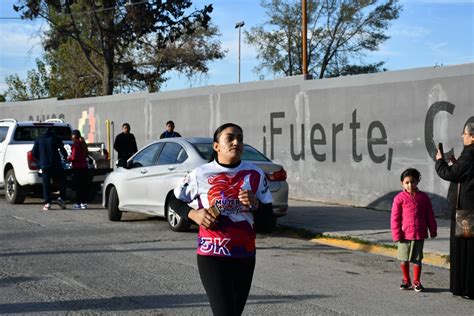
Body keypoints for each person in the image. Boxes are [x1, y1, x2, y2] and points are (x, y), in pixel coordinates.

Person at [169, 123, 273, 315]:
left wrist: (256, 203)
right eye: (230, 138)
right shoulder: (201, 174)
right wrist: (194, 214)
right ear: (216, 146)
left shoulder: (255, 174)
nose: (236, 142)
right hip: (213, 255)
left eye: (240, 139)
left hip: (244, 254)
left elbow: (269, 222)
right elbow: (174, 201)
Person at [435, 122, 474, 299]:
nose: (462, 136)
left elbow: (451, 174)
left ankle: (466, 289)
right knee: (465, 249)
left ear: (473, 136)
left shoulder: (471, 154)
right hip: (467, 209)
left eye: (464, 133)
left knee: (464, 250)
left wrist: (440, 161)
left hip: (466, 211)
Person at [390, 168, 437, 292]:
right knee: (403, 258)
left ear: (417, 182)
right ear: (402, 183)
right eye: (407, 182)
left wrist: (433, 229)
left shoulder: (424, 198)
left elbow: (429, 215)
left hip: (419, 234)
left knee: (417, 259)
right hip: (404, 236)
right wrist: (396, 234)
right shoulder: (399, 199)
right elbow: (395, 218)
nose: (410, 185)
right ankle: (406, 280)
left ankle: (416, 281)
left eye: (413, 182)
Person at [32, 127, 68, 211]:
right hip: (56, 164)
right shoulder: (55, 138)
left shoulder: (39, 139)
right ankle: (61, 198)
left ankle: (47, 203)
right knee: (62, 181)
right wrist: (65, 158)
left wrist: (40, 162)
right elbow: (62, 149)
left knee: (46, 184)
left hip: (45, 165)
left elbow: (34, 153)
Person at [68, 130, 89, 209]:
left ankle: (78, 203)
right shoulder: (83, 143)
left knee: (78, 186)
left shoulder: (75, 145)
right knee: (83, 186)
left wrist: (68, 158)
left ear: (74, 136)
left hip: (77, 167)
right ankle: (84, 203)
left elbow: (73, 157)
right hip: (84, 167)